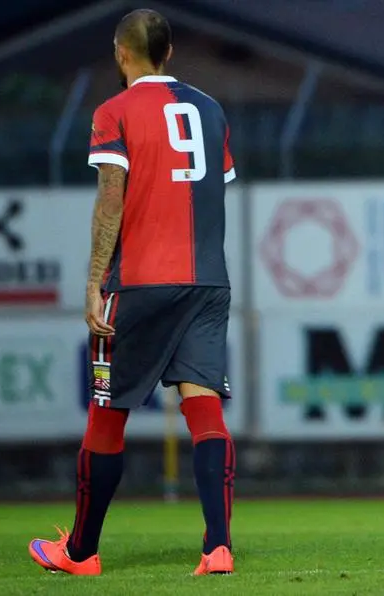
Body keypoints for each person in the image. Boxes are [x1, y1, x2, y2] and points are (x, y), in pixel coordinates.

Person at [28, 9, 237, 576]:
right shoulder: (212, 110)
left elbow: (111, 199)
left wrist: (95, 279)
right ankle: (217, 547)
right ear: (168, 54)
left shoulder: (113, 111)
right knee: (204, 407)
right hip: (207, 280)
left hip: (141, 281)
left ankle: (80, 552)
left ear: (122, 54)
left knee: (106, 414)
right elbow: (214, 191)